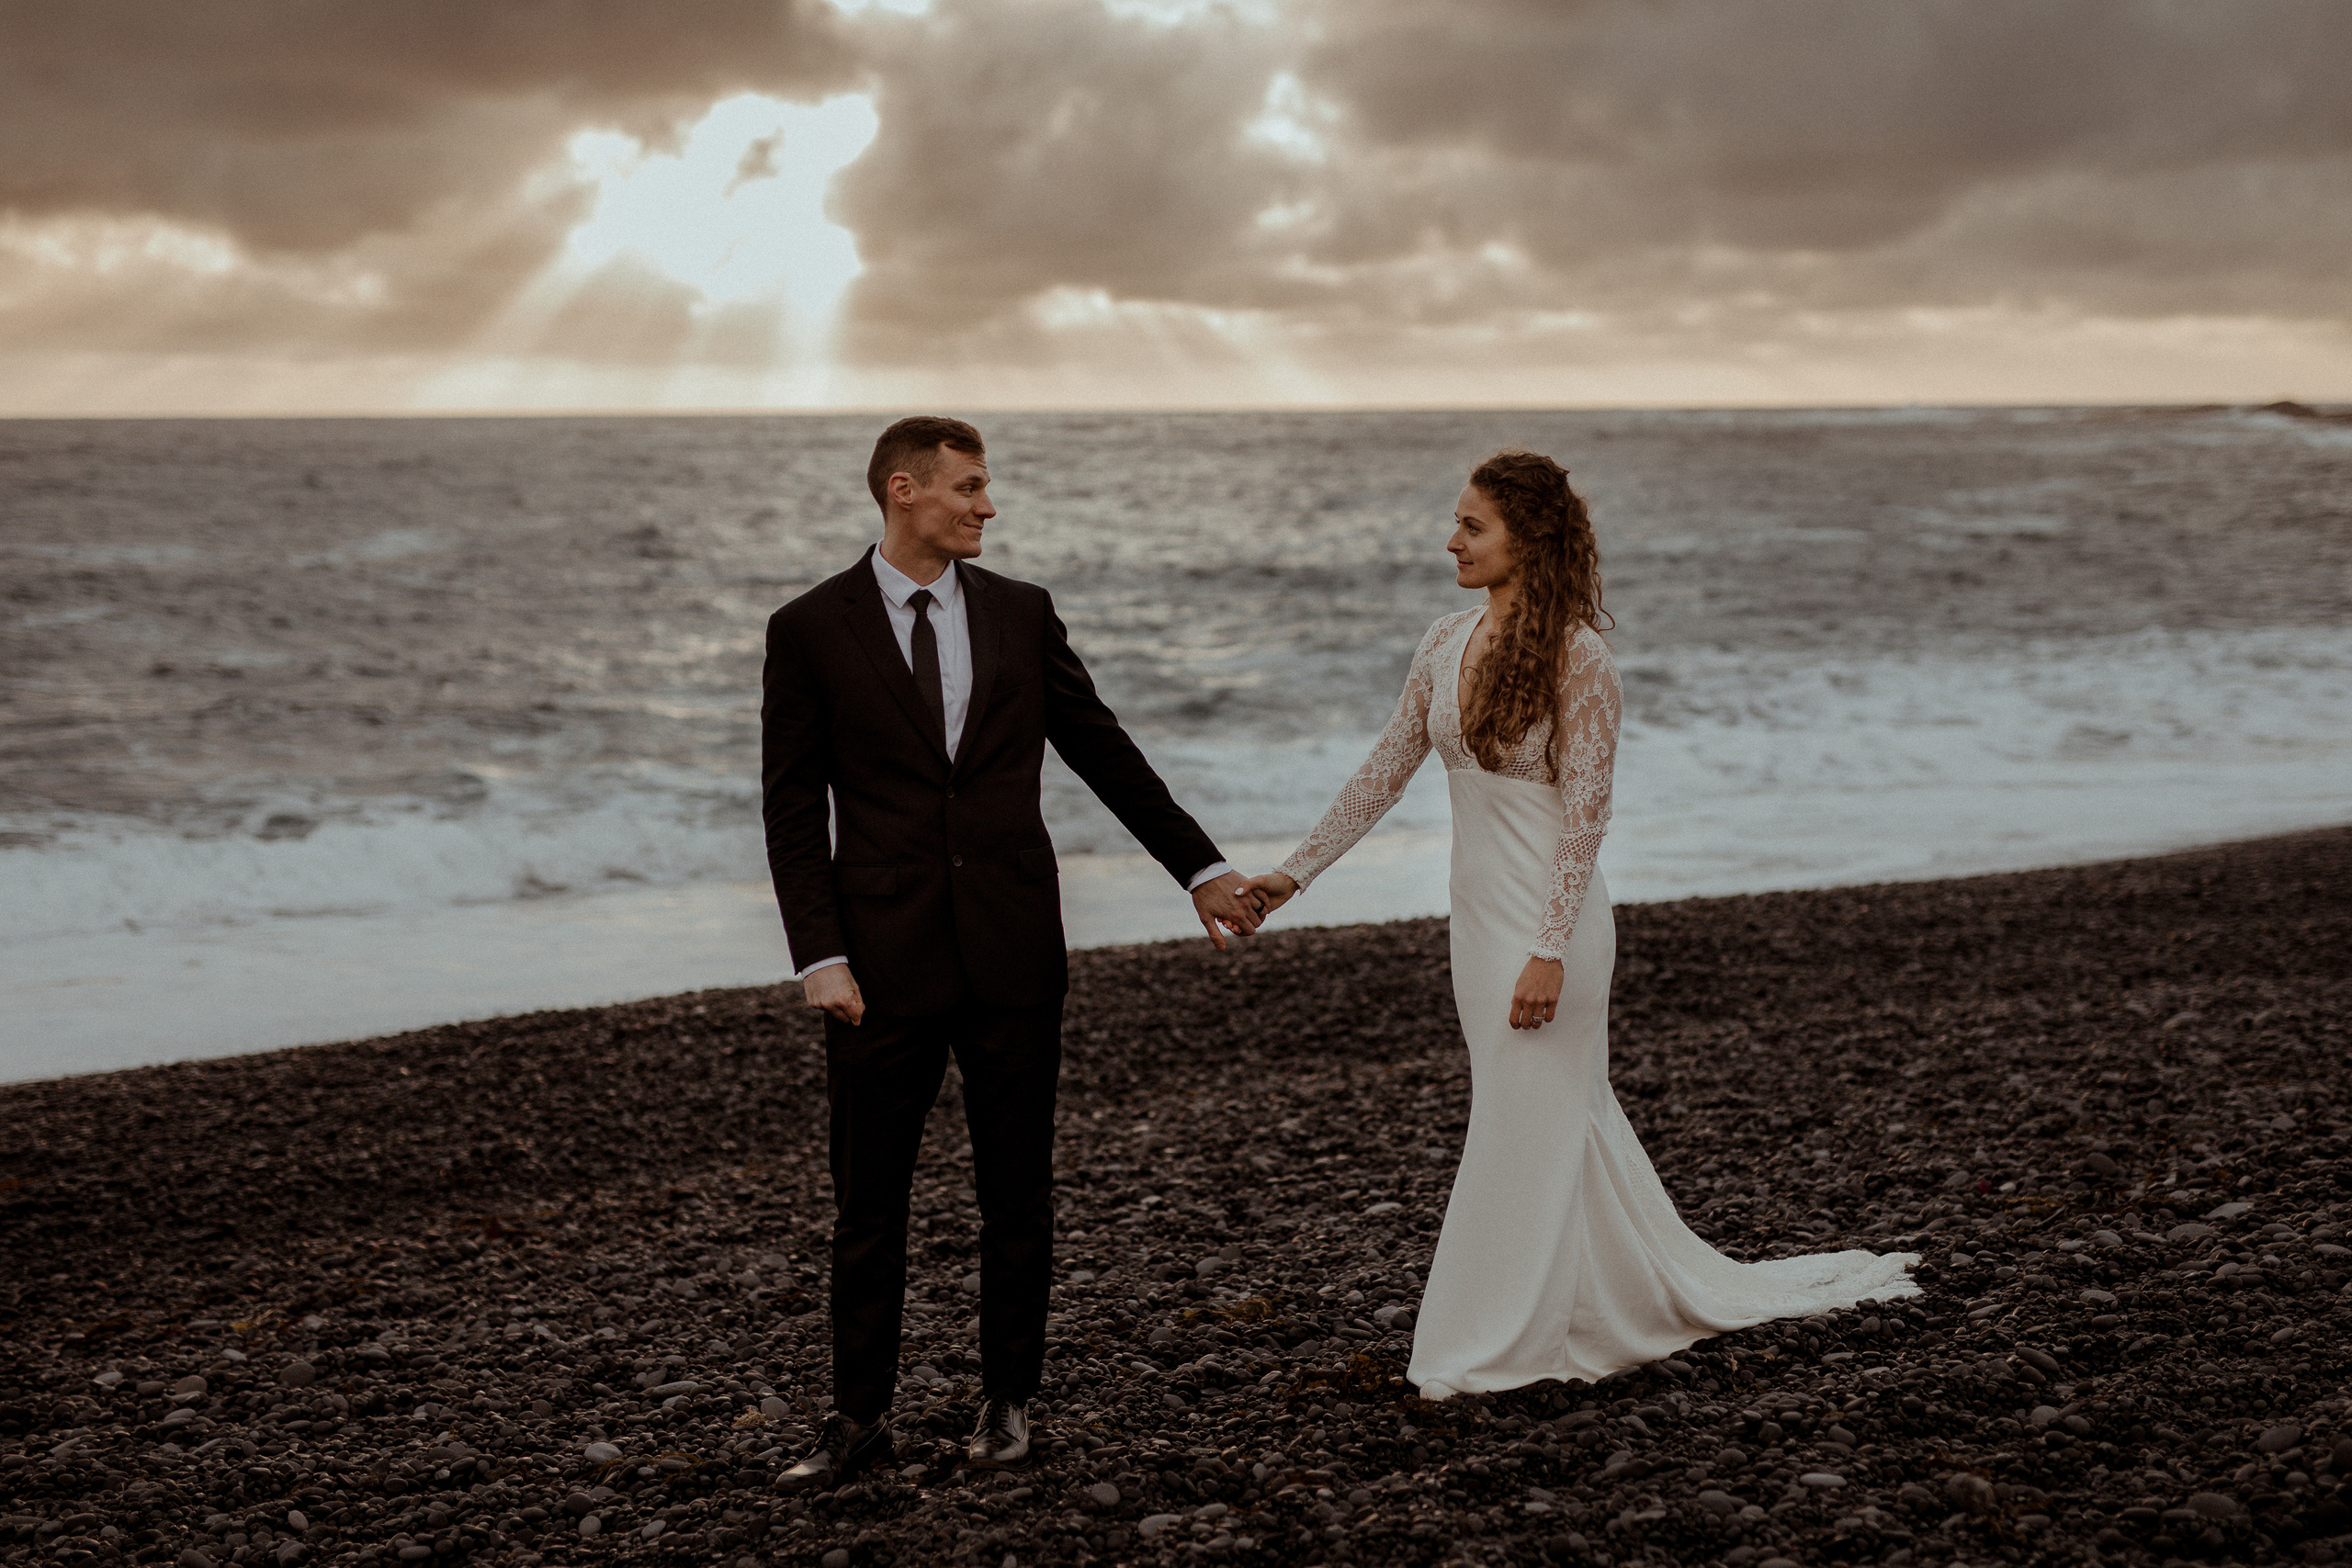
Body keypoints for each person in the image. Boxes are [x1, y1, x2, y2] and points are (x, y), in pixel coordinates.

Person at [1246, 449, 1917, 1398]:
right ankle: (1592, 1299)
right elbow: (1383, 769)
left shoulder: (1580, 656)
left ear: (1529, 537)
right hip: (1477, 926)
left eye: (1472, 525)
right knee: (1543, 1119)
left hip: (1548, 932)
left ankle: (1503, 1338)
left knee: (1531, 1120)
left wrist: (1549, 949)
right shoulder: (1444, 641)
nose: (1452, 540)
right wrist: (1291, 875)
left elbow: (1586, 816)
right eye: (1456, 523)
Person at [760, 416, 1265, 1485]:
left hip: (1013, 953)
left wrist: (1201, 868)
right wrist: (819, 956)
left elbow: (1103, 751)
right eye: (969, 488)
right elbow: (793, 808)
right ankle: (857, 1420)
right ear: (904, 491)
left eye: (986, 489)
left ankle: (1007, 1401)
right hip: (876, 966)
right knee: (867, 1204)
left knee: (1017, 1191)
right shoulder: (809, 628)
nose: (987, 507)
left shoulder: (1021, 614)